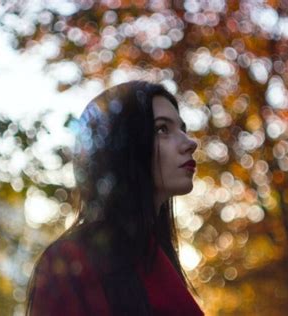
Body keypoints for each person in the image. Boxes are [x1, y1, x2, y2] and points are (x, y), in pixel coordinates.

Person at [26, 80, 203, 315]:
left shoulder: (156, 257)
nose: (190, 143)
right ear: (122, 147)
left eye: (183, 129)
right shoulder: (71, 261)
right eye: (162, 129)